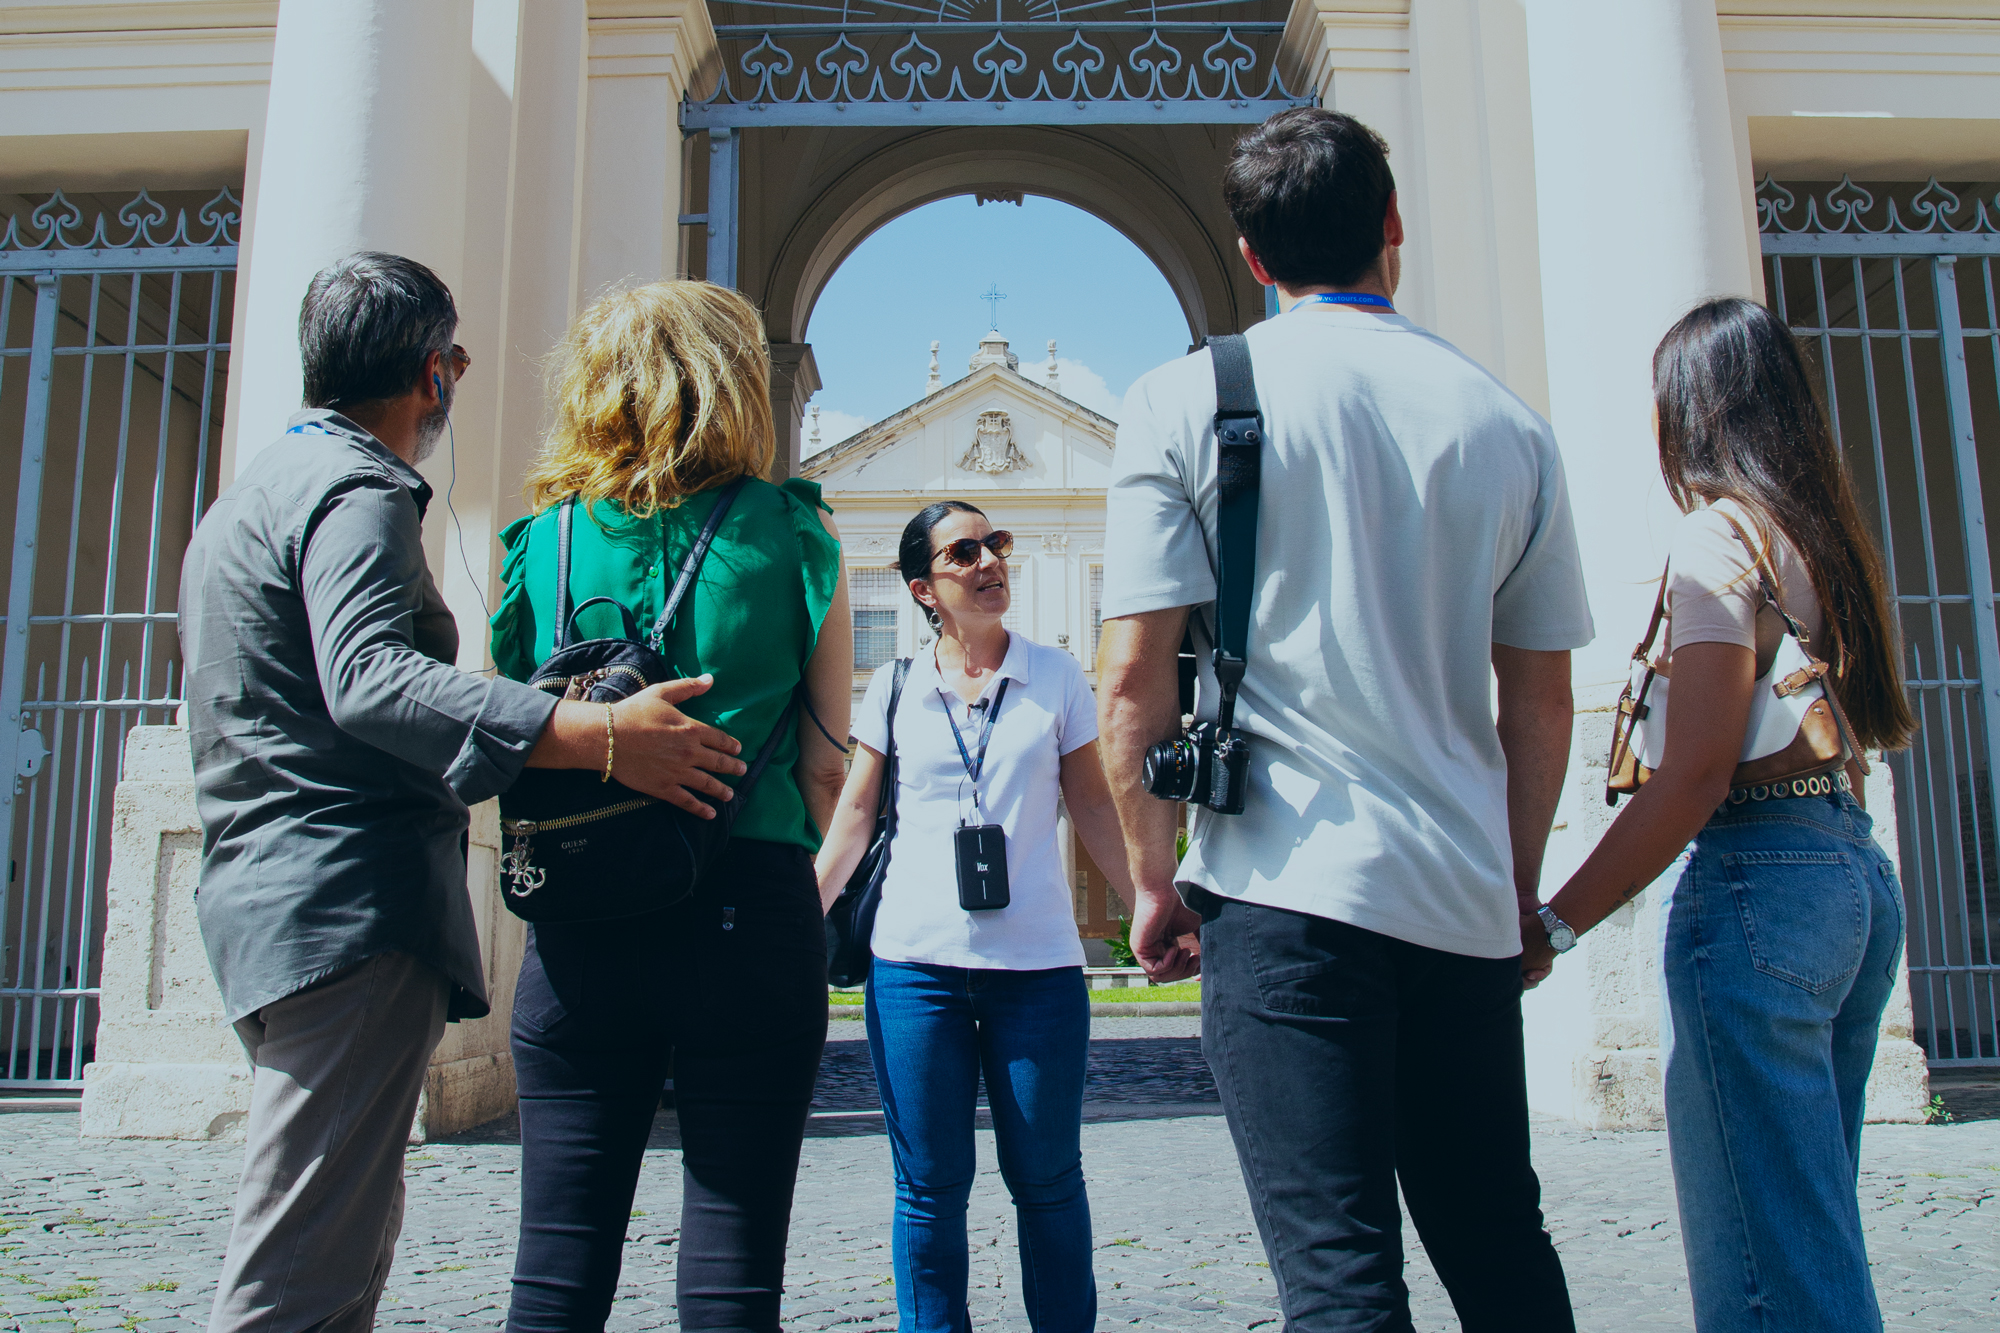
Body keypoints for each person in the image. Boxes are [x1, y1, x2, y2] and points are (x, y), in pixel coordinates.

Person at [179, 252, 747, 1333]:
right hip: (342, 902)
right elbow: (368, 679)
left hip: (268, 893)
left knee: (335, 1232)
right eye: (460, 363)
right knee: (302, 1259)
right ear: (433, 373)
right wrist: (591, 733)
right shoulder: (355, 490)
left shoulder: (255, 488)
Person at [1093, 106, 1593, 1329]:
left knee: (1337, 1268)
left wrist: (1149, 880)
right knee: (1495, 1236)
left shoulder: (1182, 401)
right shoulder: (1503, 420)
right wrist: (1514, 886)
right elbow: (1537, 698)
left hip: (1283, 889)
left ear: (1253, 258)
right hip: (1457, 896)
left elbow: (1130, 679)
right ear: (1392, 228)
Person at [1523, 297, 1913, 1332]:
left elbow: (1691, 775)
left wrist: (1556, 922)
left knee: (1763, 1258)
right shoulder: (1821, 536)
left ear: (1683, 414)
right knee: (1808, 1229)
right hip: (1847, 868)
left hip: (1755, 879)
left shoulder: (1714, 537)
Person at [488, 280, 853, 1332]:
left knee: (555, 1264)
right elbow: (827, 762)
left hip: (579, 915)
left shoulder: (536, 544)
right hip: (746, 899)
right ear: (732, 385)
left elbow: (512, 721)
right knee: (733, 1259)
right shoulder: (790, 532)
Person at [813, 501, 1135, 1332]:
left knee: (1049, 1179)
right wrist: (795, 925)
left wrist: (1151, 906)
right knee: (929, 1189)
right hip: (914, 970)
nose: (991, 560)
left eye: (997, 543)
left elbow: (1093, 807)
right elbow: (854, 819)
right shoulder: (892, 687)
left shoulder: (1057, 675)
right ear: (924, 588)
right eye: (965, 551)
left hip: (1039, 972)